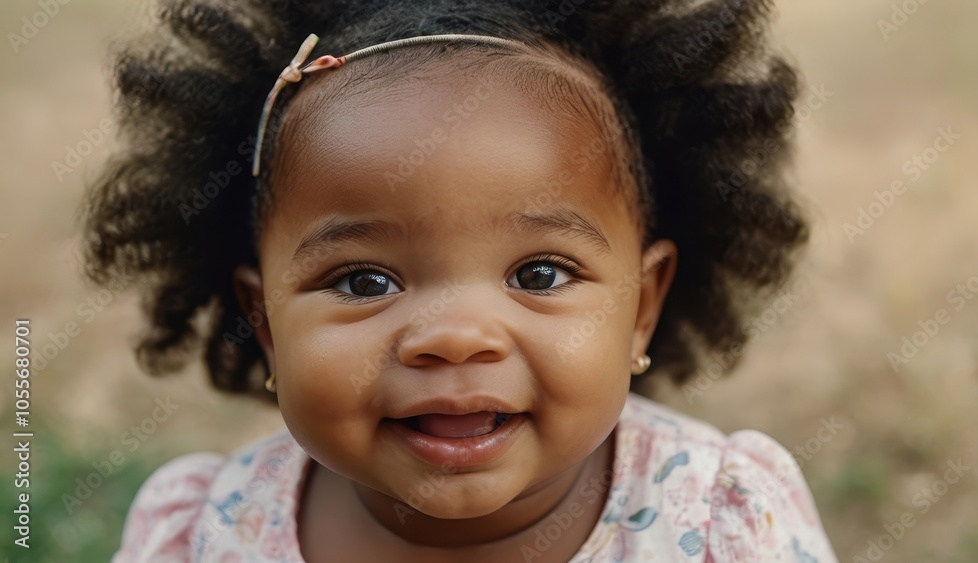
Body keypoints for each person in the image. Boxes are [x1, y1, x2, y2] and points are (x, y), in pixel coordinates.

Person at [86, 0, 838, 560]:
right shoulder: (205, 532)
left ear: (640, 307)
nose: (453, 336)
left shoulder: (716, 521)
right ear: (268, 321)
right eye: (363, 281)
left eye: (539, 273)